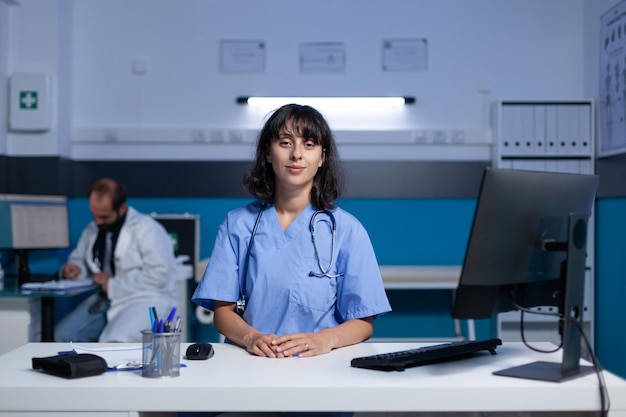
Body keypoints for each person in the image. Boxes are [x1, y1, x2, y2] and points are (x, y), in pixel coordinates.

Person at [192, 104, 391, 359]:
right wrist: (251, 337)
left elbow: (364, 323)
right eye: (285, 143)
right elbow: (223, 312)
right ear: (268, 153)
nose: (297, 154)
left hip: (320, 364)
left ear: (321, 158)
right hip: (253, 362)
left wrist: (323, 340)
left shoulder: (347, 231)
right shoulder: (238, 225)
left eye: (309, 145)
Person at [55, 178, 177, 343]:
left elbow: (158, 275)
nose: (98, 222)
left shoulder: (147, 229)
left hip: (142, 298)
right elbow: (82, 261)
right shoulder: (93, 229)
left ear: (122, 208)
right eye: (94, 216)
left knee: (115, 342)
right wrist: (74, 268)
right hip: (106, 299)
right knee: (62, 336)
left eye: (104, 217)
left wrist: (112, 284)